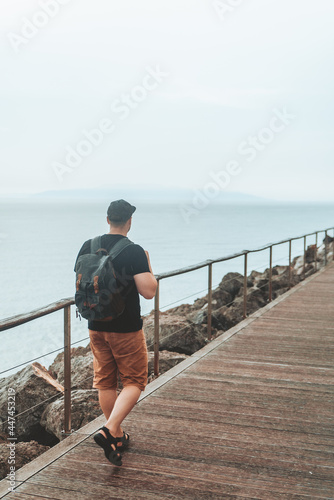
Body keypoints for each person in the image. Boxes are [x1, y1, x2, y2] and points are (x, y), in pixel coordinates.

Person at [74, 199, 157, 466]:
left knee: (106, 382)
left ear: (107, 219)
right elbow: (149, 291)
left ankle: (116, 435)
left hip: (95, 325)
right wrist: (148, 263)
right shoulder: (133, 251)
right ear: (129, 221)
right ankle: (110, 430)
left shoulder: (87, 245)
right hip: (126, 328)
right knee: (134, 382)